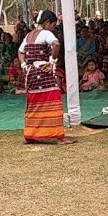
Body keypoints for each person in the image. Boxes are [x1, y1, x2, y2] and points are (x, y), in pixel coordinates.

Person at [19, 10, 74, 145]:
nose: (54, 28)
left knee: (34, 104)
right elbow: (56, 44)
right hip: (44, 72)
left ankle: (30, 135)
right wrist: (52, 61)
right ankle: (59, 137)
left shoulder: (29, 35)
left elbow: (20, 51)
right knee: (54, 101)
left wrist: (23, 65)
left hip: (31, 73)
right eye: (53, 25)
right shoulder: (46, 33)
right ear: (47, 22)